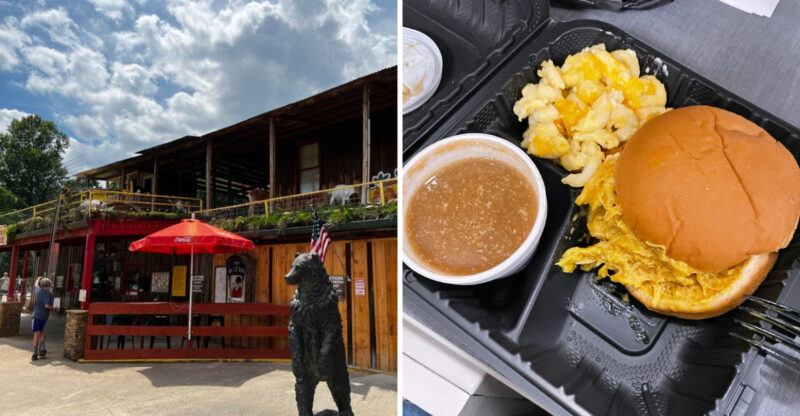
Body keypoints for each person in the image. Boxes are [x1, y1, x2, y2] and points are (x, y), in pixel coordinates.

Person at [31, 277, 55, 361]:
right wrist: (54, 307)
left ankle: (35, 353)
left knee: (37, 333)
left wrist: (38, 278)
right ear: (48, 285)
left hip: (37, 315)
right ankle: (42, 350)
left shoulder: (38, 290)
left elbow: (36, 284)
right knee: (39, 332)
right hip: (43, 316)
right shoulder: (49, 294)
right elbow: (47, 306)